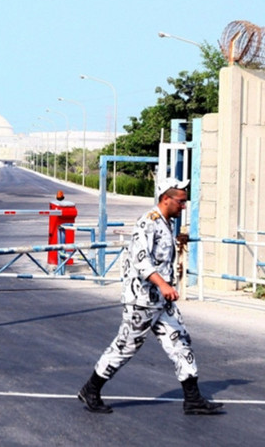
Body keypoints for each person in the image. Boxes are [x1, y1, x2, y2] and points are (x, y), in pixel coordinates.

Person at [78, 178, 224, 416]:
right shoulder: (148, 222)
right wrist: (164, 285)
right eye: (181, 201)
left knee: (181, 342)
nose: (184, 206)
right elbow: (141, 260)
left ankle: (193, 398)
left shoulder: (165, 223)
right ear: (166, 199)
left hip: (161, 302)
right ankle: (91, 389)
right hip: (142, 300)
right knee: (126, 346)